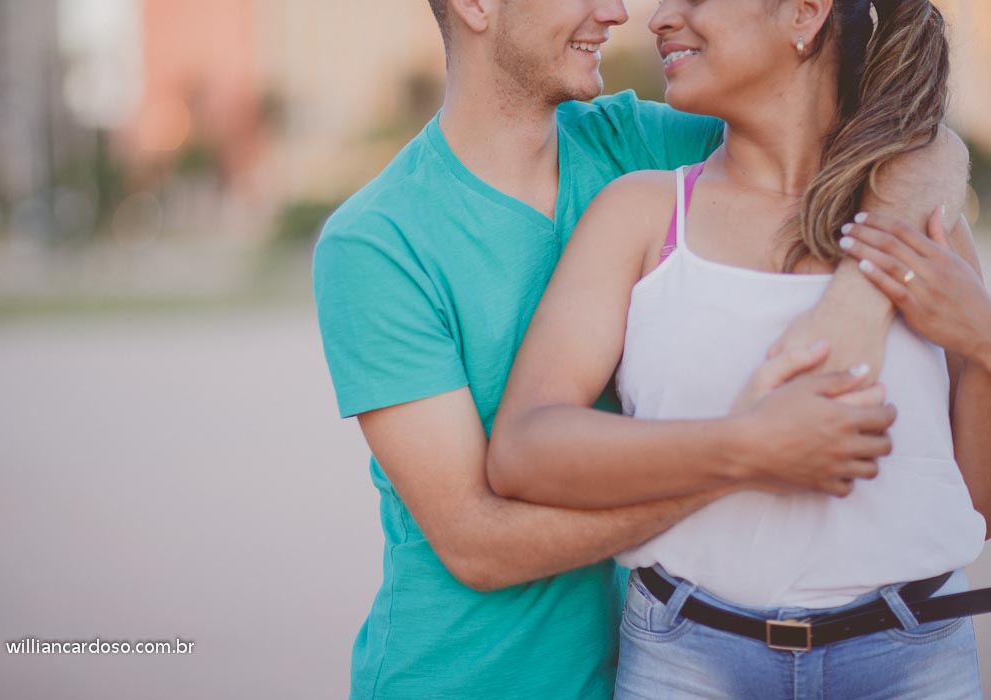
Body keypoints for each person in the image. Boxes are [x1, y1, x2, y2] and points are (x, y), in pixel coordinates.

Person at [313, 1, 966, 698]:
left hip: (649, 661)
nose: (618, 11)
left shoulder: (637, 145)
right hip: (470, 677)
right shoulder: (378, 243)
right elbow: (479, 543)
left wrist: (856, 304)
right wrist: (749, 452)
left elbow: (916, 146)